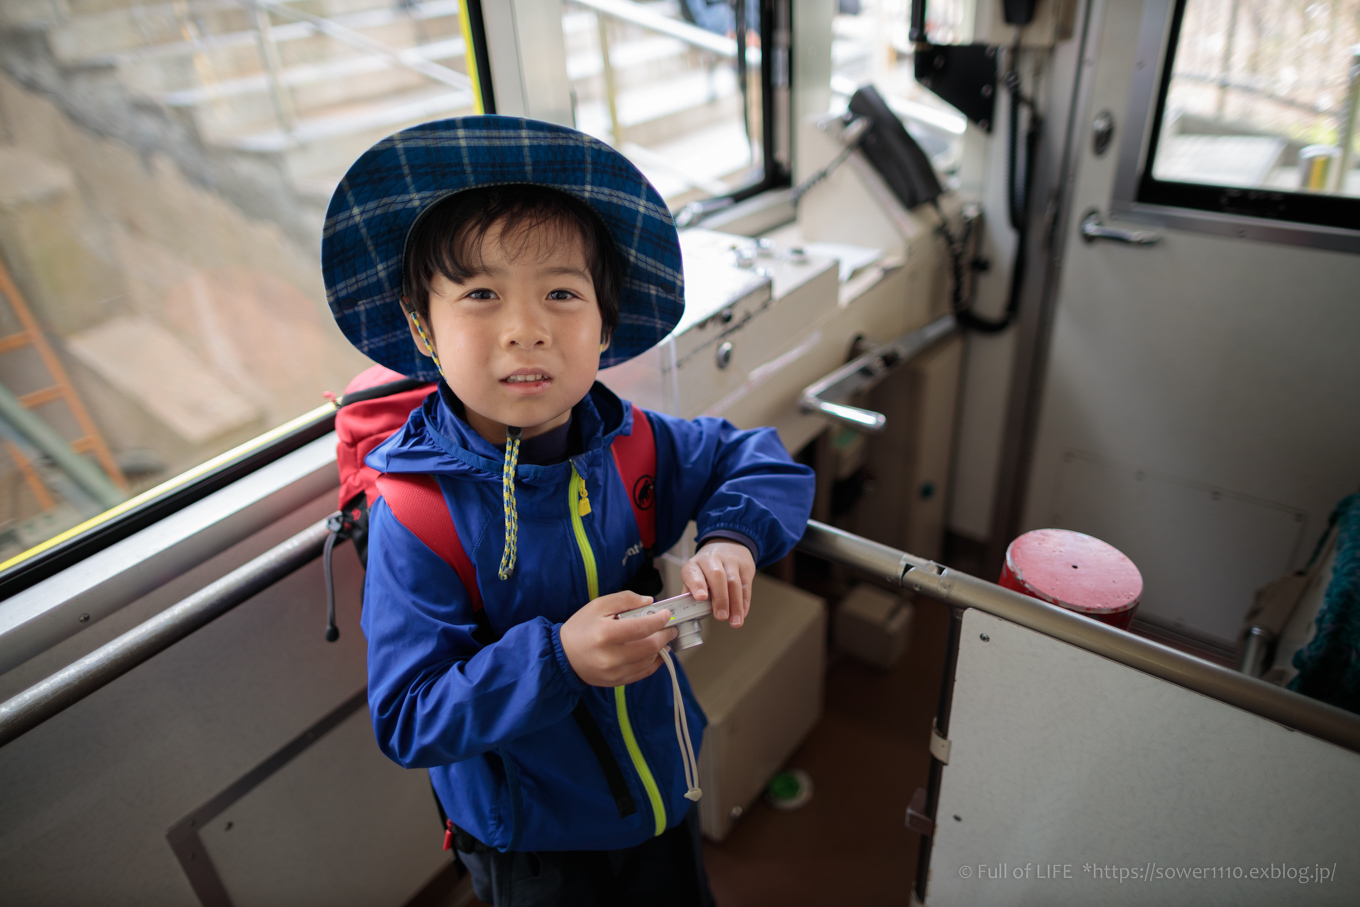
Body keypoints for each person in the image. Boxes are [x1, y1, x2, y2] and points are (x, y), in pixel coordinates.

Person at [321, 116, 815, 905]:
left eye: (561, 293)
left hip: (662, 788)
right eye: (480, 295)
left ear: (605, 325)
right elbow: (410, 715)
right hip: (533, 841)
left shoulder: (635, 447)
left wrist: (732, 538)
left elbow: (754, 456)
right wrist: (559, 660)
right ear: (424, 328)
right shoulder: (419, 515)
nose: (526, 330)